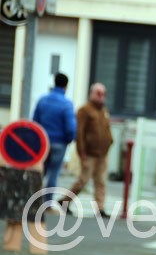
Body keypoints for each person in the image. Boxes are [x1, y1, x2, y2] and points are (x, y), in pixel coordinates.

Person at [59, 83, 113, 218]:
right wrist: (81, 151)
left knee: (100, 181)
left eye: (103, 94)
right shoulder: (84, 110)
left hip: (102, 153)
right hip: (89, 153)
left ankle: (100, 208)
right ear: (92, 94)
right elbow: (80, 132)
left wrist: (110, 141)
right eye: (98, 93)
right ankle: (65, 201)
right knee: (83, 180)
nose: (101, 97)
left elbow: (107, 129)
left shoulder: (103, 111)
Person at [32, 72, 76, 207]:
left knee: (40, 171)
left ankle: (34, 200)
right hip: (59, 143)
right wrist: (68, 140)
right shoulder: (66, 104)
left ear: (54, 83)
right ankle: (47, 203)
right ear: (66, 86)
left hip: (43, 142)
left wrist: (36, 139)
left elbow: (35, 122)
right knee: (53, 173)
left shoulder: (42, 100)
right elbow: (71, 127)